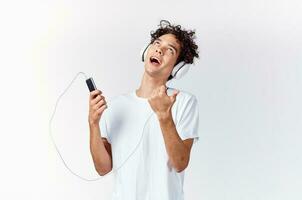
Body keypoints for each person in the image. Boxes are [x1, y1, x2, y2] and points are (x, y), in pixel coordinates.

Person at [88, 20, 200, 200]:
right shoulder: (116, 105)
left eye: (170, 50)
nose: (159, 50)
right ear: (145, 51)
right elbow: (103, 168)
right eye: (157, 44)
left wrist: (164, 116)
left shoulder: (184, 102)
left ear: (178, 69)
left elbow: (180, 163)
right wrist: (93, 123)